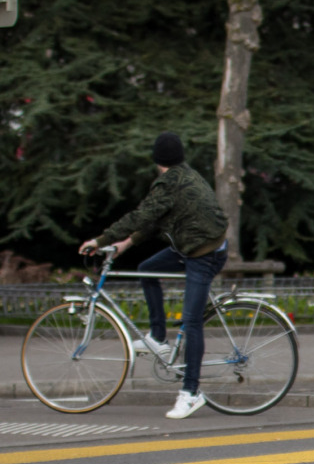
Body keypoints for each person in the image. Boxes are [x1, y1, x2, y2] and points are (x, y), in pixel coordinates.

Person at [80, 132, 229, 420]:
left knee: (192, 321)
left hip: (204, 252)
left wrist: (100, 240)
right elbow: (154, 219)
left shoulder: (168, 183)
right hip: (192, 245)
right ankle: (158, 337)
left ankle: (191, 393)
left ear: (155, 159)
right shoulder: (185, 175)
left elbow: (141, 216)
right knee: (146, 269)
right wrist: (126, 244)